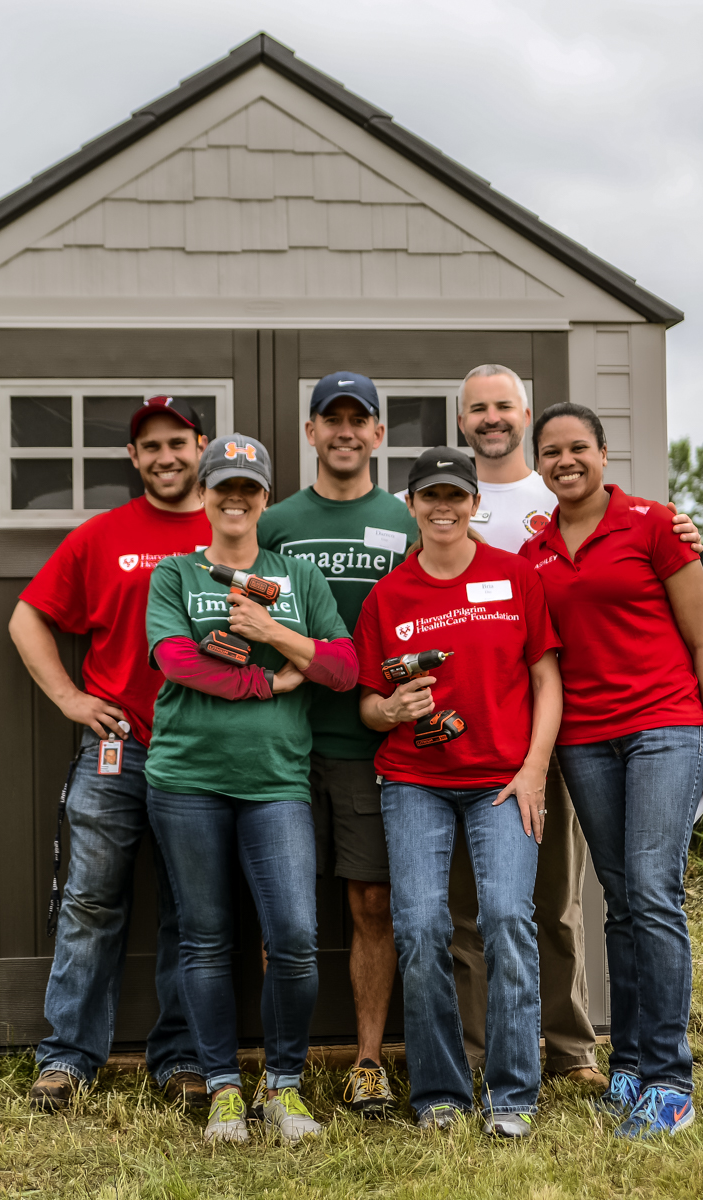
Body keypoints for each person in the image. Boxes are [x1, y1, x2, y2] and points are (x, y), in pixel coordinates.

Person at [439, 364, 702, 1089]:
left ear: (524, 415)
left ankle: (579, 1051)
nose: (492, 419)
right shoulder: (445, 499)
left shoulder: (568, 503)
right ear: (461, 422)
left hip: (576, 730)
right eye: (477, 409)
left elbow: (691, 621)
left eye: (504, 407)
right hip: (484, 733)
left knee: (564, 899)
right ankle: (489, 1054)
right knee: (484, 904)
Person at [520, 401, 703, 1140]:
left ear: (604, 455)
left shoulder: (653, 524)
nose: (564, 461)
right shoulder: (535, 551)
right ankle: (632, 1063)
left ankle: (671, 1082)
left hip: (666, 729)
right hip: (586, 739)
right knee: (618, 897)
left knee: (652, 890)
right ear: (538, 464)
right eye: (550, 452)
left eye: (577, 447)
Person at [144, 433, 359, 1145]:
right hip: (186, 780)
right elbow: (177, 662)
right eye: (223, 485)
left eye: (250, 488)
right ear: (203, 495)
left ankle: (284, 1086)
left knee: (294, 936)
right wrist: (266, 679)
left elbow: (344, 666)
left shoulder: (297, 578)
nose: (236, 498)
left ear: (266, 499)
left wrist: (275, 633)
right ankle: (223, 1089)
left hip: (275, 783)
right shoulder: (174, 575)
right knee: (204, 941)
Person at [9, 396, 210, 1113]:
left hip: (204, 755)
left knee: (194, 914)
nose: (165, 457)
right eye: (151, 446)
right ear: (133, 459)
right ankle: (66, 1059)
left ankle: (184, 1059)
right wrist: (68, 697)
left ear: (201, 446)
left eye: (178, 443)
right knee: (90, 903)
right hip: (116, 751)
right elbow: (26, 615)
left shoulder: (232, 528)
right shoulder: (101, 537)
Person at [356, 447, 563, 1137]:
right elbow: (366, 703)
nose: (443, 508)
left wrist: (534, 768)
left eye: (455, 496)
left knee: (507, 919)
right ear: (410, 505)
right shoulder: (389, 595)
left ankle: (512, 1094)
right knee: (419, 928)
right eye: (429, 496)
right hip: (414, 780)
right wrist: (391, 710)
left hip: (504, 780)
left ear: (475, 504)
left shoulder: (515, 577)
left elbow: (546, 681)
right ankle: (440, 1092)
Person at [255, 371, 418, 1118]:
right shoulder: (276, 520)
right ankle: (274, 1068)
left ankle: (366, 1062)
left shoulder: (408, 519)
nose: (347, 431)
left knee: (372, 902)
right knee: (278, 909)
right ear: (311, 432)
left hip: (367, 741)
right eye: (333, 418)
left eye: (361, 420)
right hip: (281, 742)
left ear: (379, 435)